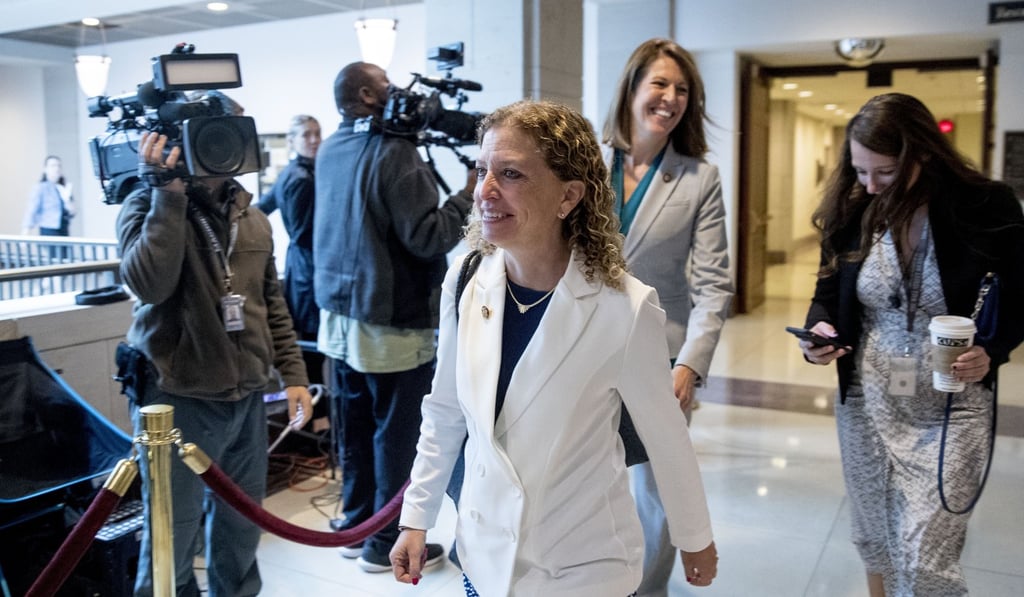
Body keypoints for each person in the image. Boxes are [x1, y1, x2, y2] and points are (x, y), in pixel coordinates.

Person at [390, 100, 719, 596]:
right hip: (484, 558)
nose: (485, 191)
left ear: (568, 196)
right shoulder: (464, 280)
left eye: (511, 174)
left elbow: (665, 437)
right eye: (482, 170)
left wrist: (695, 538)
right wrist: (416, 516)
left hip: (583, 568)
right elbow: (443, 411)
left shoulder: (624, 308)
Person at [795, 92, 1024, 596]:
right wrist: (821, 334)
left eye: (885, 172)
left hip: (951, 407)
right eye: (860, 172)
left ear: (921, 153)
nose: (871, 185)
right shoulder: (853, 213)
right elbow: (827, 296)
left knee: (925, 557)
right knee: (874, 538)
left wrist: (995, 347)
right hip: (868, 403)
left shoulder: (986, 206)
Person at [117, 129, 314, 596]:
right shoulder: (145, 205)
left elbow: (272, 304)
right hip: (175, 397)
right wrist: (167, 195)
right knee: (172, 532)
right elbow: (148, 286)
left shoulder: (253, 217)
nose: (226, 147)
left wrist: (293, 375)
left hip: (245, 395)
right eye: (213, 135)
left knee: (242, 525)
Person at [313, 61, 474, 573]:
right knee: (396, 434)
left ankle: (357, 525)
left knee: (356, 427)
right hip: (389, 319)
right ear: (366, 94)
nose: (400, 93)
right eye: (387, 85)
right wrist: (471, 191)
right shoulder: (394, 150)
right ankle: (384, 542)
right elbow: (428, 235)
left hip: (339, 318)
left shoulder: (333, 148)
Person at [601, 38, 733, 596]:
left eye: (682, 89)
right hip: (583, 344)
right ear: (632, 88)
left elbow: (713, 284)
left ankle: (647, 589)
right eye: (659, 83)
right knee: (587, 475)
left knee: (656, 488)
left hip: (663, 357)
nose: (670, 97)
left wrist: (691, 366)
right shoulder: (587, 158)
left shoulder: (699, 178)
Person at [258, 114, 324, 383]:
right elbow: (303, 233)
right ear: (292, 140)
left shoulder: (290, 173)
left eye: (318, 133)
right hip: (309, 270)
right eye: (307, 134)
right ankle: (319, 420)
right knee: (313, 351)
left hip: (301, 266)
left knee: (313, 349)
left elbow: (259, 210)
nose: (314, 140)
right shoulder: (301, 178)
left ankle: (319, 418)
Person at [23, 155, 76, 259]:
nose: (56, 168)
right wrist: (26, 232)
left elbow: (72, 212)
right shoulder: (41, 188)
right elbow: (32, 210)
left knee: (64, 259)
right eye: (53, 166)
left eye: (58, 166)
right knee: (55, 259)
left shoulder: (63, 188)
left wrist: (67, 199)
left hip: (63, 228)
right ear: (45, 169)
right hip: (49, 229)